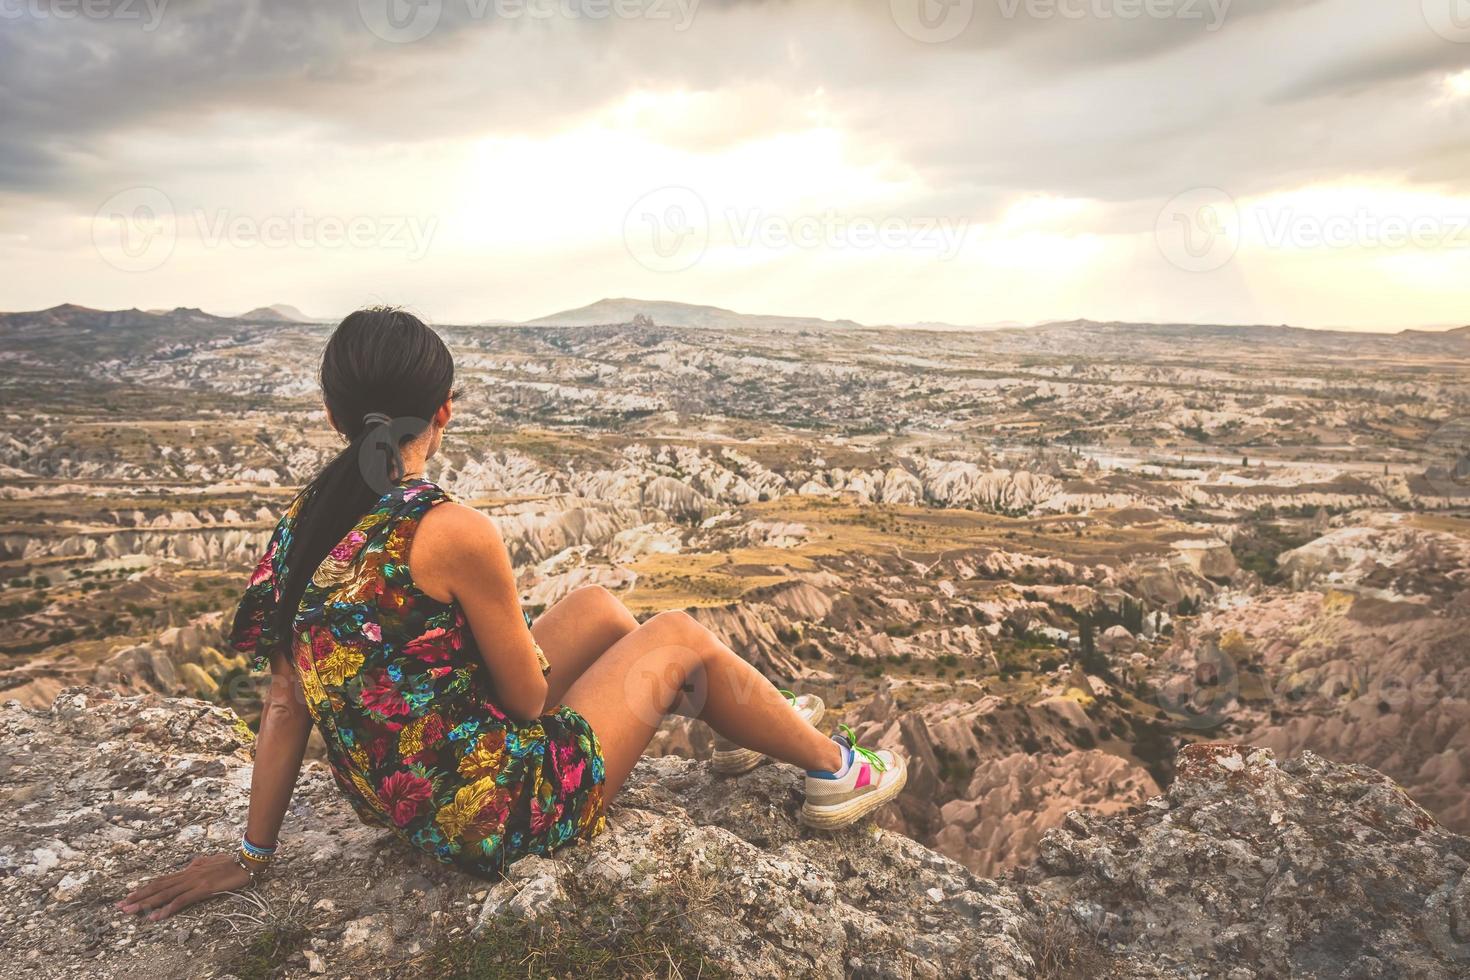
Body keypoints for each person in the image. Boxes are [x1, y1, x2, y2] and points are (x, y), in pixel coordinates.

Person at [119, 308, 906, 922]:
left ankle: (747, 725)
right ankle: (836, 772)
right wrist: (524, 664)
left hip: (405, 794)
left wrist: (254, 855)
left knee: (597, 607)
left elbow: (286, 700)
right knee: (678, 638)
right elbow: (528, 700)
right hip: (495, 813)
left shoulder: (309, 522)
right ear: (445, 411)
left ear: (333, 415)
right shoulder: (452, 530)